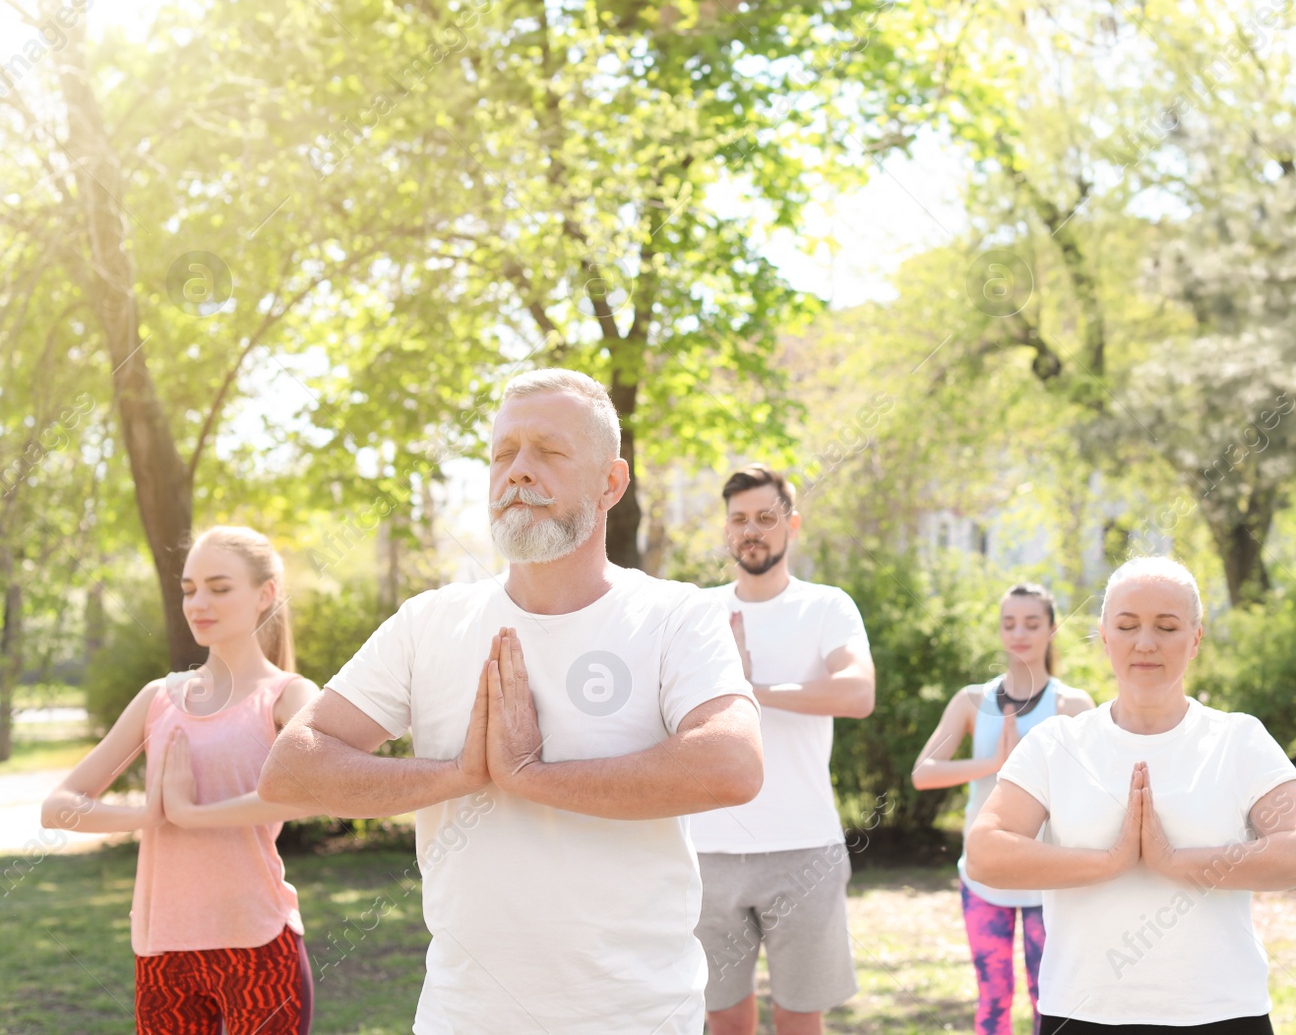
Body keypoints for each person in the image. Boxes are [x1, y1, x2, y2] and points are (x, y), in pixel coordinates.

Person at [257, 368, 763, 1034]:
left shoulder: (676, 616)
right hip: (462, 1017)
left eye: (549, 453)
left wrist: (531, 777)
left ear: (611, 482)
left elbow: (732, 764)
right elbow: (290, 768)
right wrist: (457, 776)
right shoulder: (429, 622)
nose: (518, 472)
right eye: (502, 454)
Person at [966, 556, 1296, 1032]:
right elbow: (985, 854)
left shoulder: (1238, 739)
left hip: (1220, 1012)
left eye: (1168, 626)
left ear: (1195, 639)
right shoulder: (1057, 744)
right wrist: (1110, 862)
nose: (1146, 643)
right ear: (1105, 636)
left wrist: (1174, 862)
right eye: (1128, 625)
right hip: (1080, 1012)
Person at [41, 526, 320, 1035]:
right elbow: (57, 807)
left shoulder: (289, 696)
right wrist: (146, 816)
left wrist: (193, 815)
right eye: (189, 589)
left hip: (256, 942)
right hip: (162, 949)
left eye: (218, 587)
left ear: (266, 593)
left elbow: (314, 792)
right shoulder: (158, 699)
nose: (198, 603)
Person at [690, 464, 875, 1035]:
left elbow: (858, 692)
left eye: (765, 518)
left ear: (791, 525)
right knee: (722, 1017)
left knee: (799, 1016)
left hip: (804, 851)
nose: (752, 530)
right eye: (740, 519)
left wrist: (751, 689)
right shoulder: (698, 612)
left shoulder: (827, 607)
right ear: (727, 530)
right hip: (708, 851)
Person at [912, 582, 1094, 1035]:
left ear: (1052, 630)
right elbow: (924, 773)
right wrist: (993, 764)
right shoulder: (972, 701)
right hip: (983, 875)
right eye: (1009, 623)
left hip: (1047, 878)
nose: (1020, 633)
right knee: (993, 999)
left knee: (1047, 998)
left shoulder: (1073, 705)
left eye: (1032, 623)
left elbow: (1091, 791)